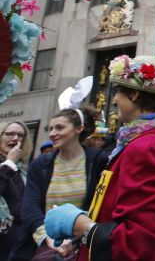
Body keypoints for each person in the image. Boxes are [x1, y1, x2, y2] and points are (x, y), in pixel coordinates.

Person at [42, 52, 155, 261]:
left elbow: (138, 241)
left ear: (135, 95)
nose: (115, 100)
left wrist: (80, 225)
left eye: (118, 91)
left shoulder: (147, 146)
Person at [11, 107, 105, 261]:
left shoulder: (97, 160)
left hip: (82, 245)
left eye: (59, 128)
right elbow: (30, 207)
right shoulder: (39, 164)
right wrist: (48, 238)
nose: (52, 133)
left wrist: (78, 236)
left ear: (79, 129)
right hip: (42, 246)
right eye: (51, 128)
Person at [0, 121, 30, 260]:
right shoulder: (10, 165)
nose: (15, 138)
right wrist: (9, 163)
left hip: (16, 242)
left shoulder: (21, 169)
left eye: (20, 135)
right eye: (9, 134)